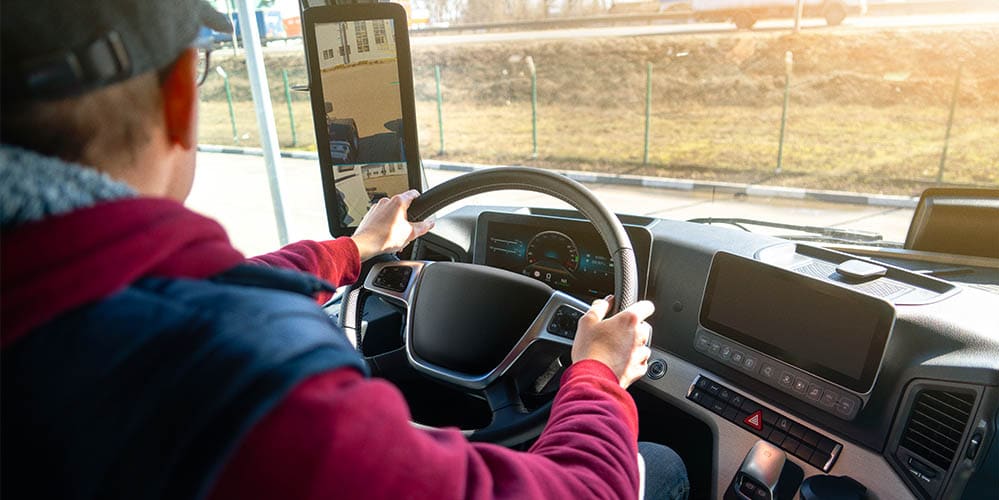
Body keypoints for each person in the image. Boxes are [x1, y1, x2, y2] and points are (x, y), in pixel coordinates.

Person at [0, 1, 689, 499]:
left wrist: (355, 249)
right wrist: (596, 373)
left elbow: (229, 284)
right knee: (657, 464)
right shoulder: (236, 378)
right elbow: (579, 489)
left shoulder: (81, 298)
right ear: (180, 94)